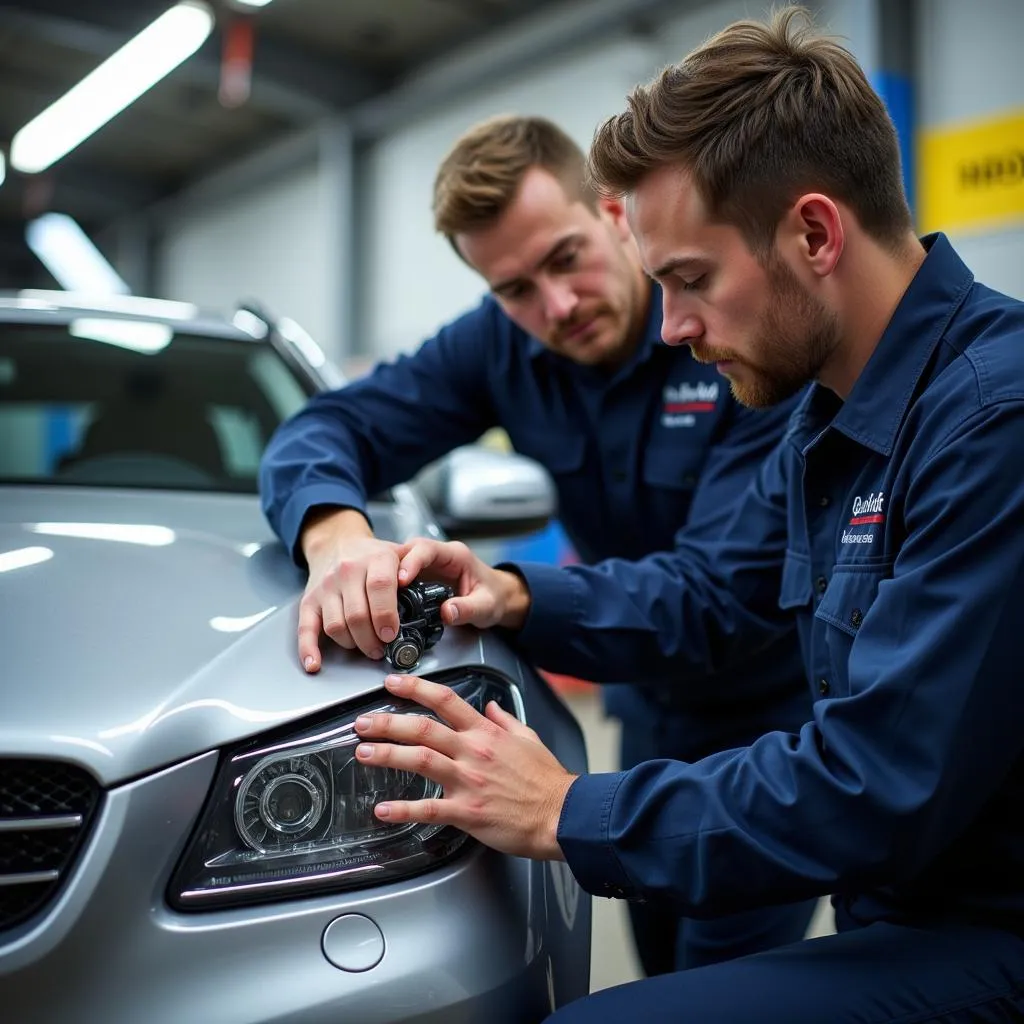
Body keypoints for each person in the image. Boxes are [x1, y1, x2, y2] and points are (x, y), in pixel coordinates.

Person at [348, 8, 1024, 1022]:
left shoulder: (991, 419)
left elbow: (877, 782)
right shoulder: (828, 419)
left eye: (692, 281)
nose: (676, 327)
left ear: (812, 232)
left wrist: (571, 810)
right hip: (898, 903)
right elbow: (714, 592)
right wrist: (506, 595)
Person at [259, 113, 816, 974]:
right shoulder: (497, 345)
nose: (555, 306)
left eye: (565, 259)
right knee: (663, 958)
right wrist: (333, 533)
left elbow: (717, 595)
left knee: (719, 982)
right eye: (515, 288)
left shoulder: (730, 335)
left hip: (771, 720)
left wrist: (516, 592)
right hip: (649, 705)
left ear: (615, 214)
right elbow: (326, 426)